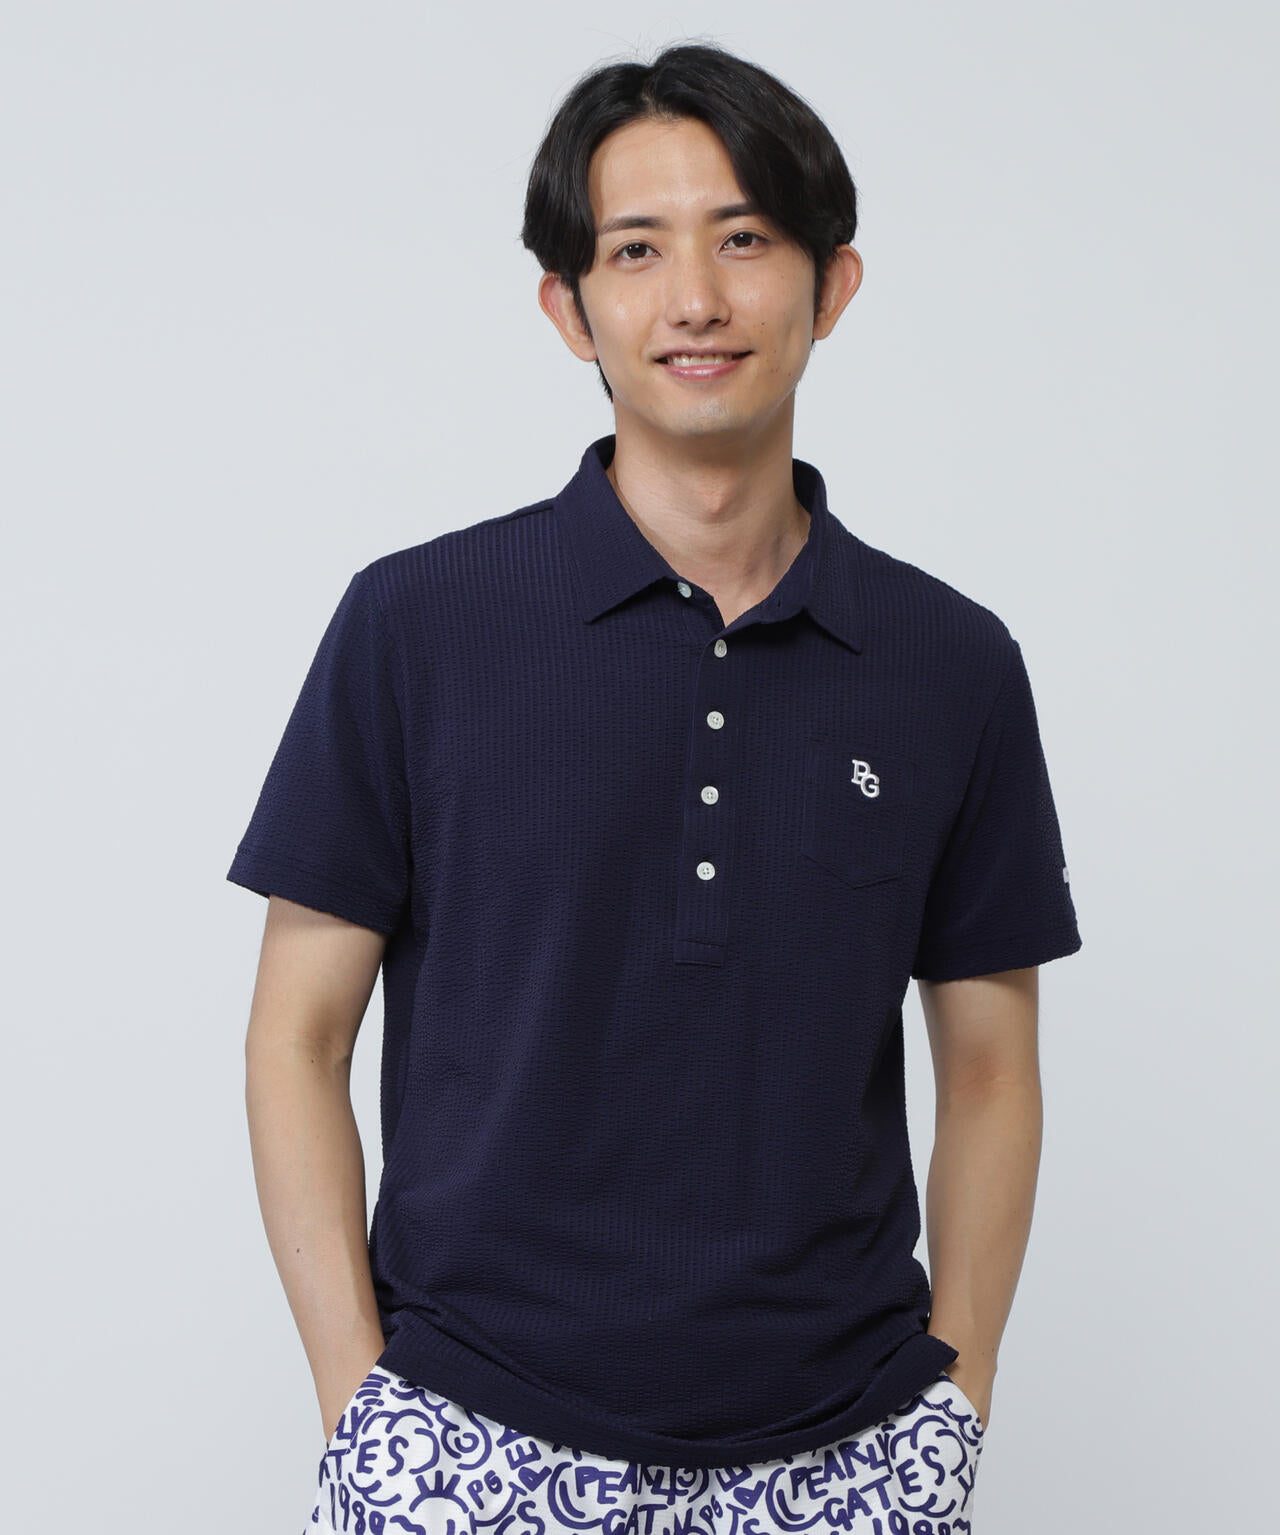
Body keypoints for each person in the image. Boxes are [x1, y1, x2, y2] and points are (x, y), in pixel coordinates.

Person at [227, 40, 1082, 1534]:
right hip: (474, 1434)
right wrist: (365, 1409)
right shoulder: (419, 625)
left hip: (849, 1450)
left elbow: (994, 1067)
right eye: (637, 250)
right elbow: (296, 1034)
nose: (696, 298)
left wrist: (957, 1401)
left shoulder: (950, 662)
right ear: (569, 309)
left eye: (745, 239)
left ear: (834, 285)